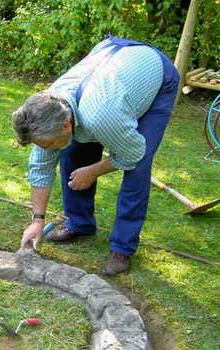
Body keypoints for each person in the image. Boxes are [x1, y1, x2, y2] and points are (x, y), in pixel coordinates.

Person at [12, 35, 179, 275]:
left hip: (156, 77)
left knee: (137, 168)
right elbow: (41, 168)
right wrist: (37, 220)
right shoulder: (49, 109)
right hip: (112, 60)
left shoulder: (101, 117)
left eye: (46, 143)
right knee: (70, 149)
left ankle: (122, 247)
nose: (45, 148)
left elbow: (133, 153)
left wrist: (93, 171)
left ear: (66, 126)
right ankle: (80, 224)